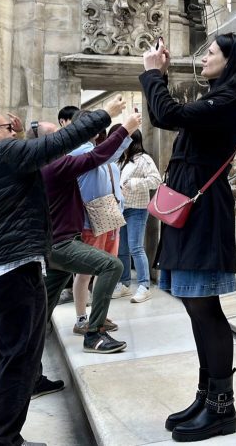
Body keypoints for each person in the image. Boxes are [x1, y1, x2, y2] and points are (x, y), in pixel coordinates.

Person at [0, 100, 125, 446]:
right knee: (18, 358)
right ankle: (4, 440)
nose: (14, 132)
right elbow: (61, 144)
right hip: (11, 270)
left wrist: (18, 128)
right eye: (7, 128)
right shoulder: (5, 155)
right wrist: (108, 114)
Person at [141, 33, 236, 442]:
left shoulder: (230, 102)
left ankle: (222, 410)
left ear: (231, 61)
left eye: (210, 52)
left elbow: (164, 114)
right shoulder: (220, 99)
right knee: (196, 308)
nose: (204, 57)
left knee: (205, 308)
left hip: (203, 211)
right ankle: (205, 397)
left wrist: (153, 74)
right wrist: (162, 75)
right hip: (190, 206)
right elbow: (178, 113)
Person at [33, 116, 137, 356]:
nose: (64, 136)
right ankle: (94, 333)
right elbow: (98, 156)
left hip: (56, 242)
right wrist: (126, 129)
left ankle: (31, 359)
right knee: (112, 266)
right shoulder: (57, 165)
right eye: (58, 134)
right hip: (61, 243)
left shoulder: (46, 164)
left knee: (45, 304)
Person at [70, 116, 132, 335]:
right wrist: (126, 132)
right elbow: (106, 155)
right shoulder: (80, 152)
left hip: (109, 217)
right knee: (85, 272)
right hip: (91, 219)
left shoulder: (99, 154)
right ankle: (81, 319)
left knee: (106, 271)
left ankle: (99, 315)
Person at [118, 128, 163, 301]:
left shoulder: (144, 159)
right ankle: (124, 284)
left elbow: (156, 180)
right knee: (122, 249)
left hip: (137, 208)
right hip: (120, 209)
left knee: (135, 247)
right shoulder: (121, 159)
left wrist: (133, 183)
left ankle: (144, 286)